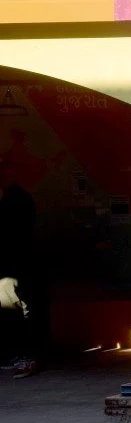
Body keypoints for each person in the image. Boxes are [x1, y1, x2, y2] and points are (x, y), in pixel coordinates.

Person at [0, 153, 40, 377]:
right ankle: (21, 356)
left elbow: (13, 233)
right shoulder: (15, 197)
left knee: (20, 311)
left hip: (15, 265)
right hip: (14, 264)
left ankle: (26, 357)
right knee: (16, 311)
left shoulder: (15, 199)